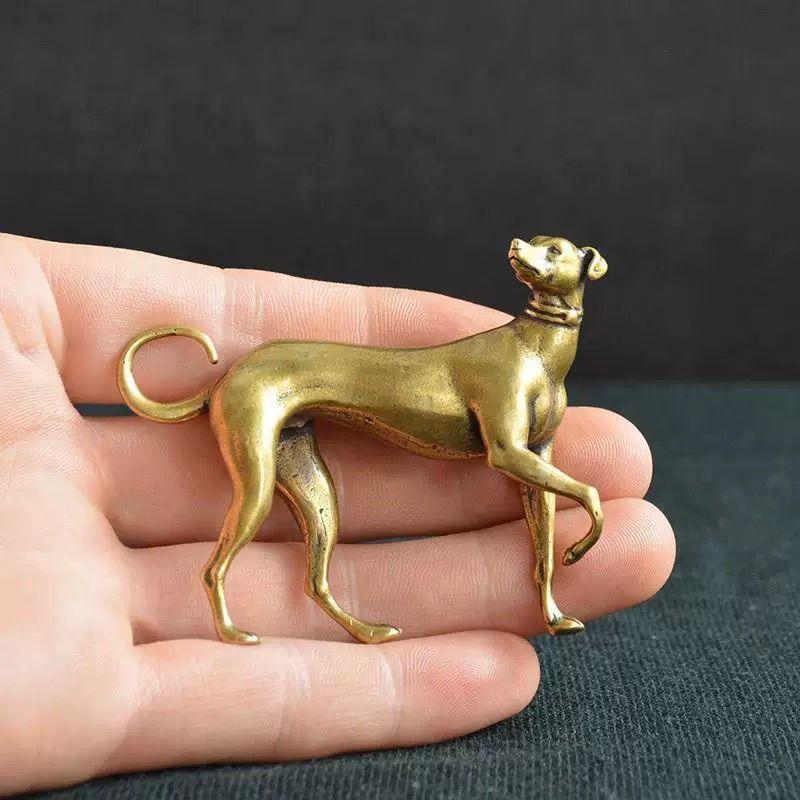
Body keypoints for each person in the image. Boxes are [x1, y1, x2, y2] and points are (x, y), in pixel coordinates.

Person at [0, 233, 674, 794]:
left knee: (322, 514)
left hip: (296, 386)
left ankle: (533, 597)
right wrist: (587, 498)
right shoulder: (508, 366)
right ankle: (221, 596)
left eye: (552, 253)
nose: (528, 252)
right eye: (537, 250)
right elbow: (505, 454)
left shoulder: (534, 371)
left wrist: (551, 581)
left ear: (584, 271)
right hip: (271, 383)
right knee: (256, 501)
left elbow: (528, 475)